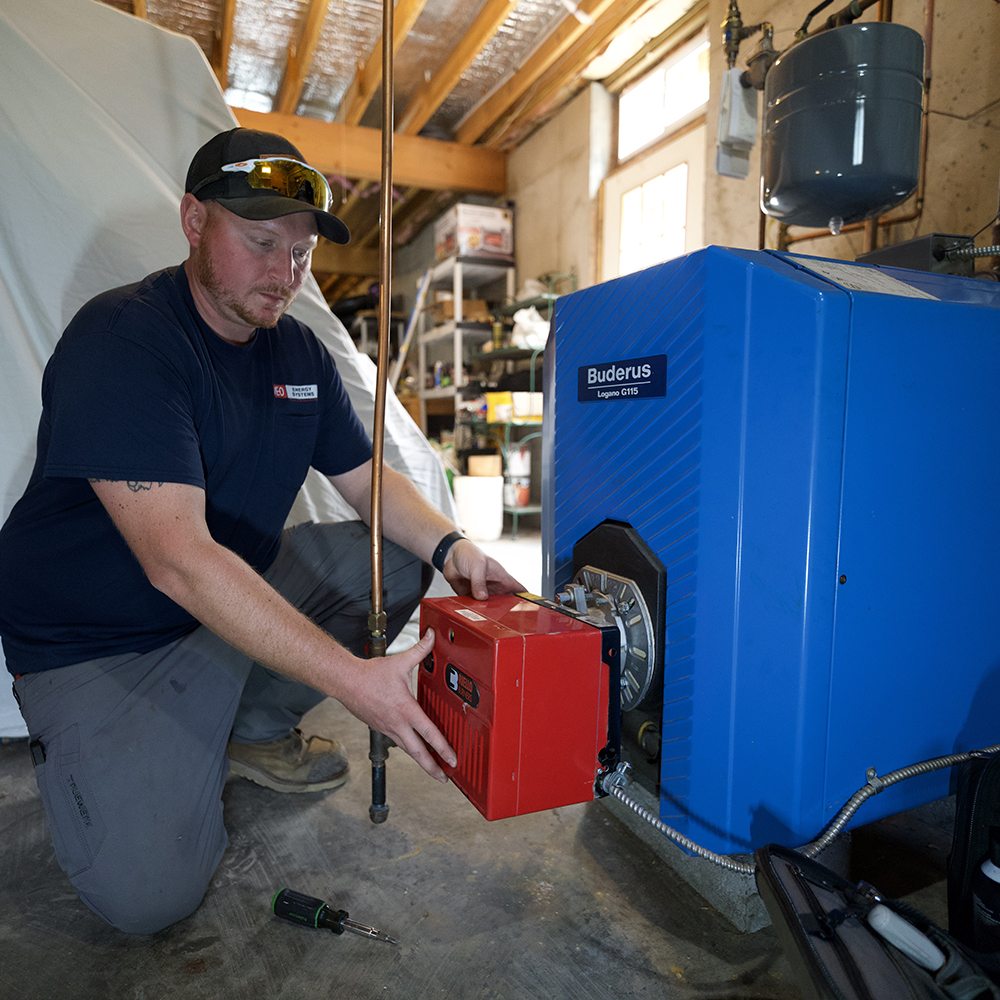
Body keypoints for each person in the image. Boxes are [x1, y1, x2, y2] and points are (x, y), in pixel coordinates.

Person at [0, 127, 522, 935]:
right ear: (193, 220)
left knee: (392, 558)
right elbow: (178, 561)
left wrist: (456, 548)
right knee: (149, 898)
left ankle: (245, 727)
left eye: (302, 251)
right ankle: (124, 744)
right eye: (261, 242)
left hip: (216, 604)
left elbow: (367, 480)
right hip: (98, 645)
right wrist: (354, 681)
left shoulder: (299, 355)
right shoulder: (125, 341)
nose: (285, 273)